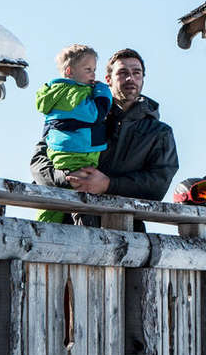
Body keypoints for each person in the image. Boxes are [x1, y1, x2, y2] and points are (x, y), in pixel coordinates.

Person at [31, 49, 179, 214]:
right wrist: (68, 178)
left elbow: (158, 183)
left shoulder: (159, 133)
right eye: (122, 73)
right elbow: (38, 162)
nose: (130, 78)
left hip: (124, 229)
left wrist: (109, 184)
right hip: (64, 221)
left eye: (136, 73)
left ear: (143, 78)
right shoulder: (80, 111)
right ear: (108, 80)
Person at [34, 43, 112, 222]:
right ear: (69, 71)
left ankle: (44, 227)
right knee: (76, 198)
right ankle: (51, 230)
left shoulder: (58, 93)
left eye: (94, 69)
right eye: (88, 69)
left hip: (65, 152)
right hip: (76, 156)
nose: (93, 74)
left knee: (55, 202)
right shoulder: (71, 93)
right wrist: (103, 91)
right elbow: (96, 114)